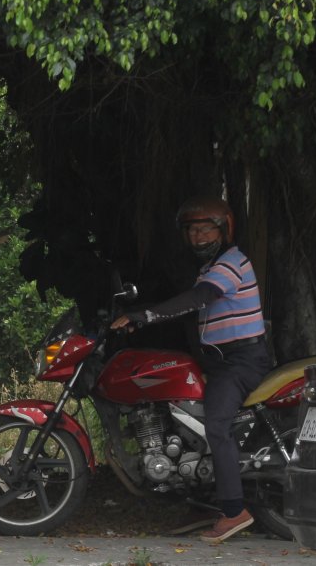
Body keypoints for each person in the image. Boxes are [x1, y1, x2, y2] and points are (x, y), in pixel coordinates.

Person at [110, 196, 272, 544]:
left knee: (215, 425)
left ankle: (233, 511)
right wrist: (139, 316)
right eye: (192, 230)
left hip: (241, 362)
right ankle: (202, 499)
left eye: (205, 229)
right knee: (183, 418)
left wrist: (147, 315)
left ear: (224, 229)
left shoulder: (231, 263)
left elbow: (198, 299)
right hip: (219, 361)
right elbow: (189, 303)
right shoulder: (210, 268)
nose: (198, 237)